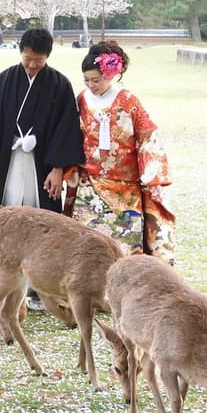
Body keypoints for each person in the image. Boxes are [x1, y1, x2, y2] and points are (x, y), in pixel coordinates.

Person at [64, 41, 175, 261]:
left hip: (125, 186)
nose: (91, 85)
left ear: (110, 74)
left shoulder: (128, 100)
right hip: (90, 183)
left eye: (96, 80)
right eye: (86, 80)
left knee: (126, 248)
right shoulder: (82, 100)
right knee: (87, 244)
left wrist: (151, 171)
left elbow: (147, 134)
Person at [0, 27, 84, 213]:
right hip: (7, 159)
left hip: (43, 163)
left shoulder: (60, 85)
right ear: (20, 52)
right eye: (27, 59)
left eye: (38, 60)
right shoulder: (1, 82)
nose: (31, 65)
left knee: (42, 217)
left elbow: (65, 130)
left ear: (47, 56)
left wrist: (57, 169)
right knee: (4, 213)